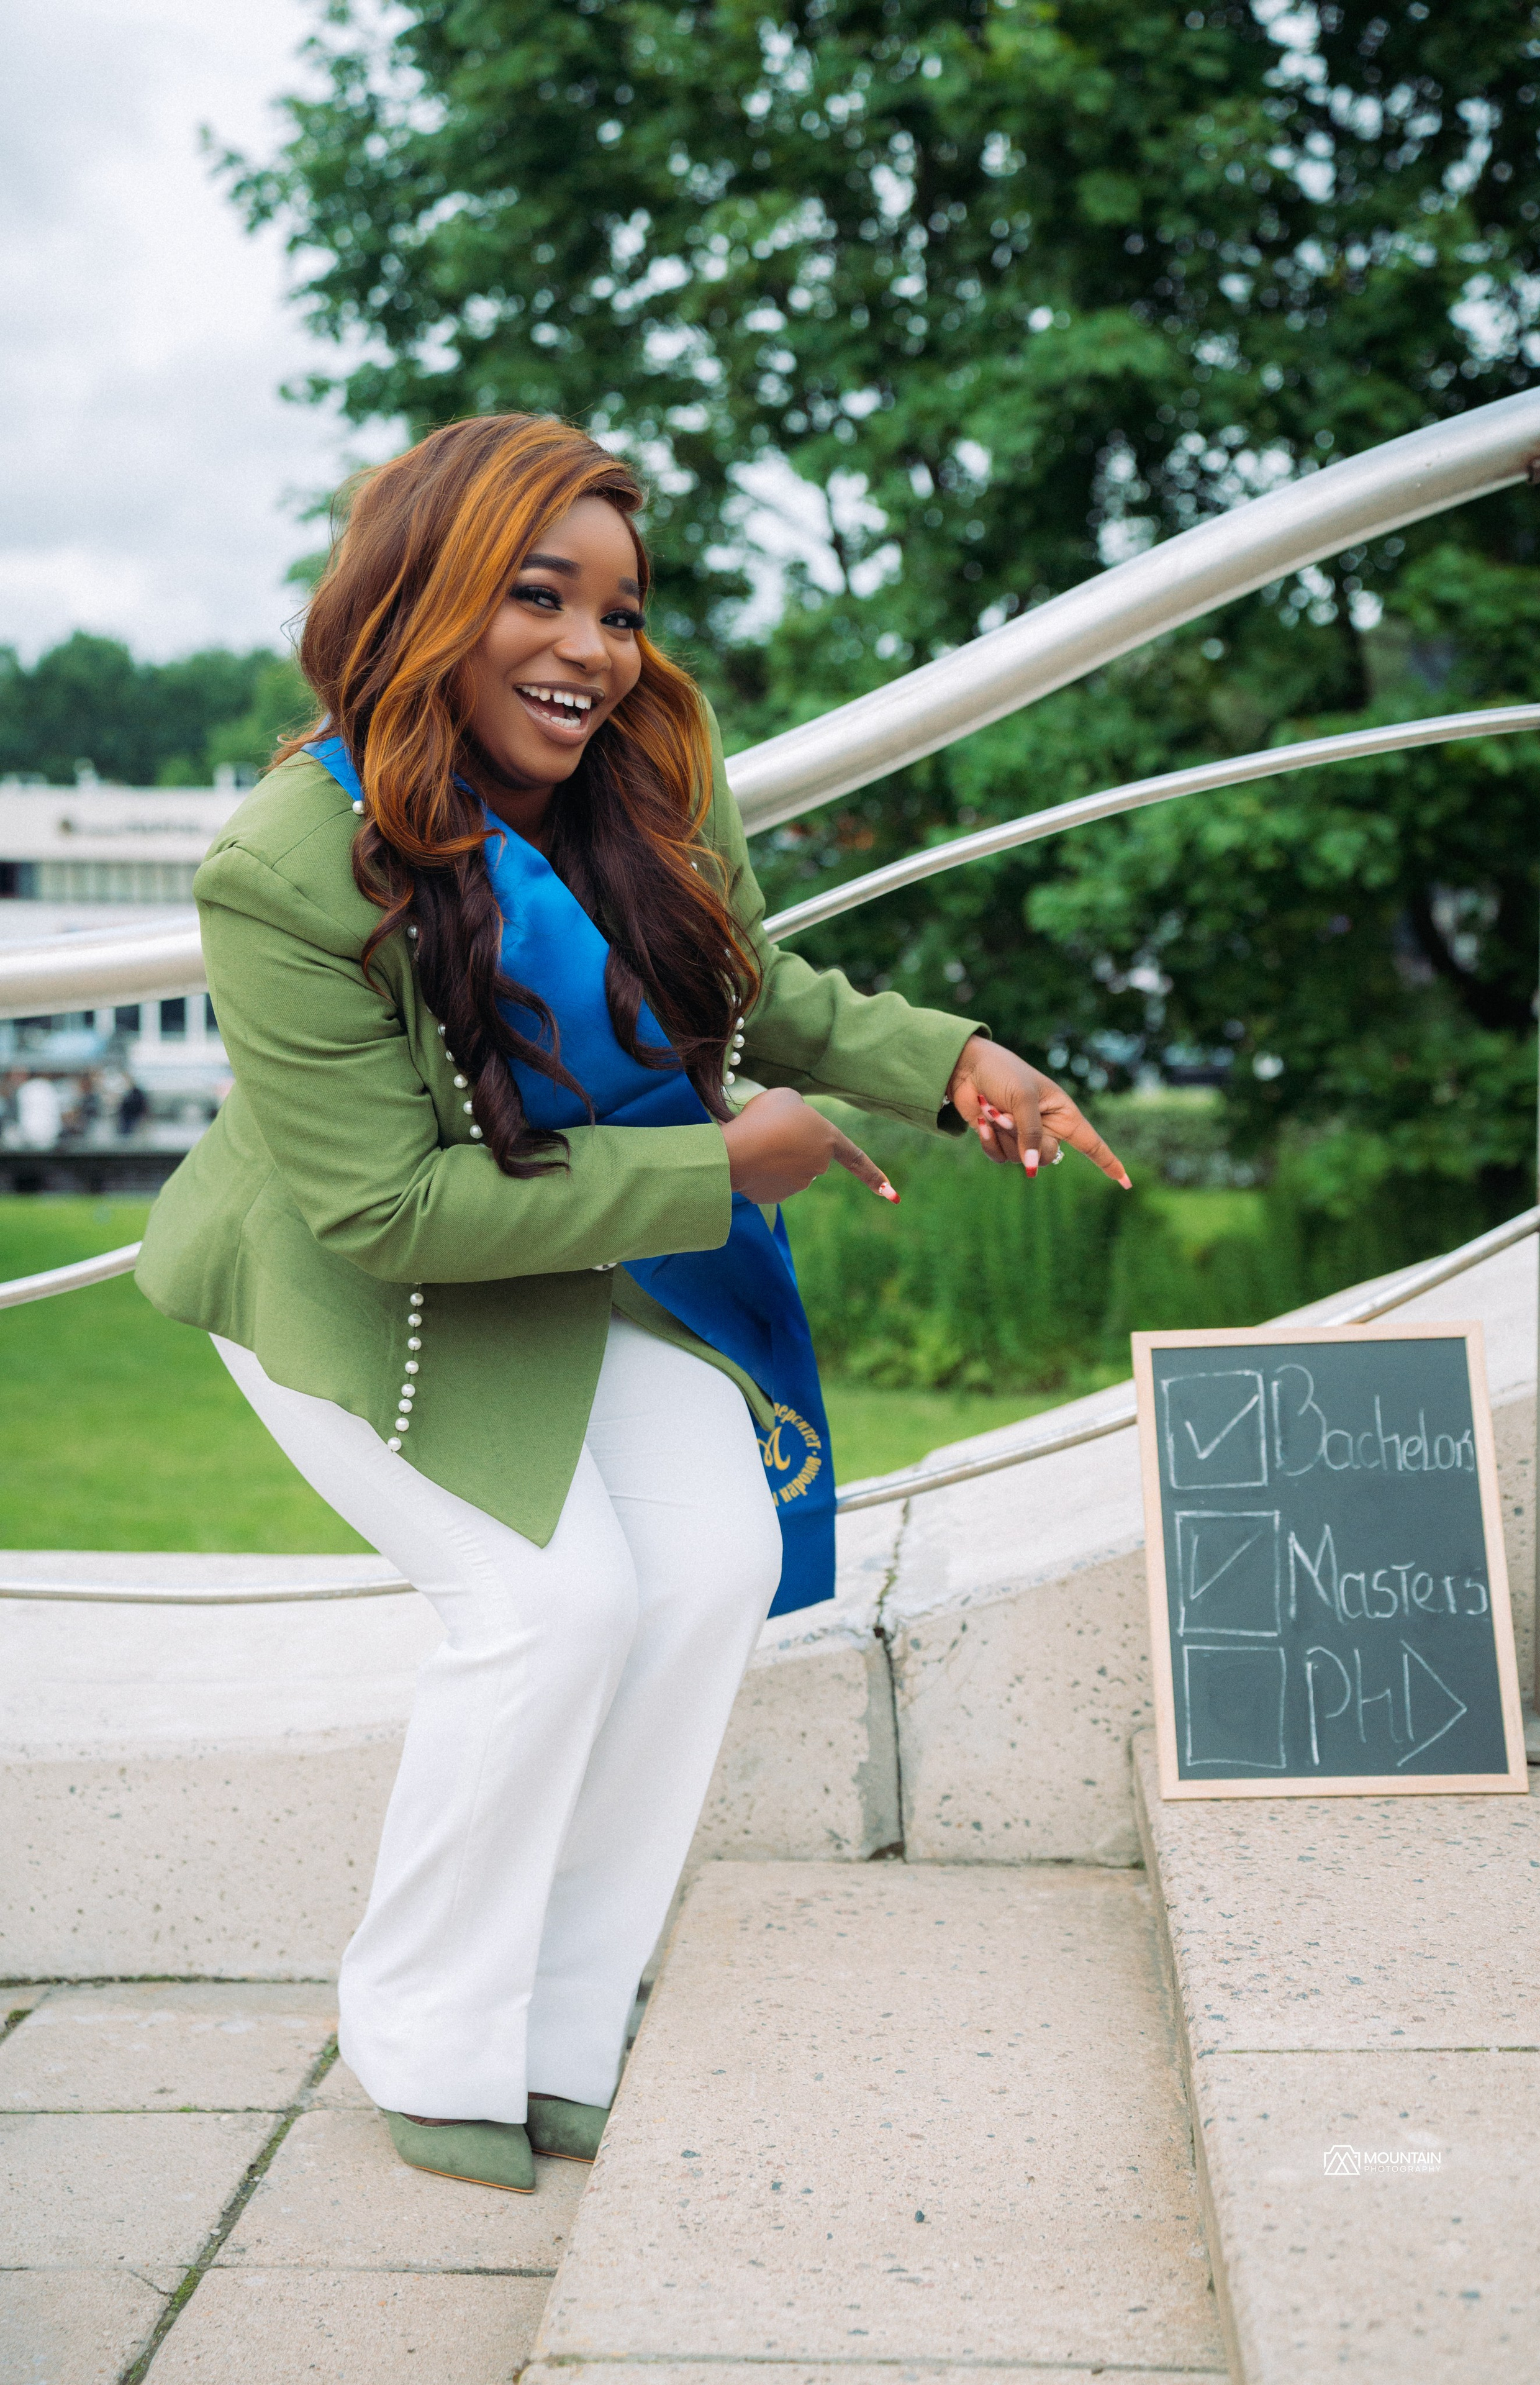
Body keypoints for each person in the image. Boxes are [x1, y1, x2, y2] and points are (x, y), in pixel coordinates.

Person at [135, 414, 1128, 2197]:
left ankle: (560, 2025)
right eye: (541, 596)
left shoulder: (643, 771)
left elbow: (743, 987)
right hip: (354, 1288)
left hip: (567, 1240)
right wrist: (720, 1172)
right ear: (426, 596)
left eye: (620, 609)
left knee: (718, 1561)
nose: (592, 650)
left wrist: (953, 1058)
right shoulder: (285, 861)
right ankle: (428, 2031)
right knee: (550, 1606)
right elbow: (383, 1209)